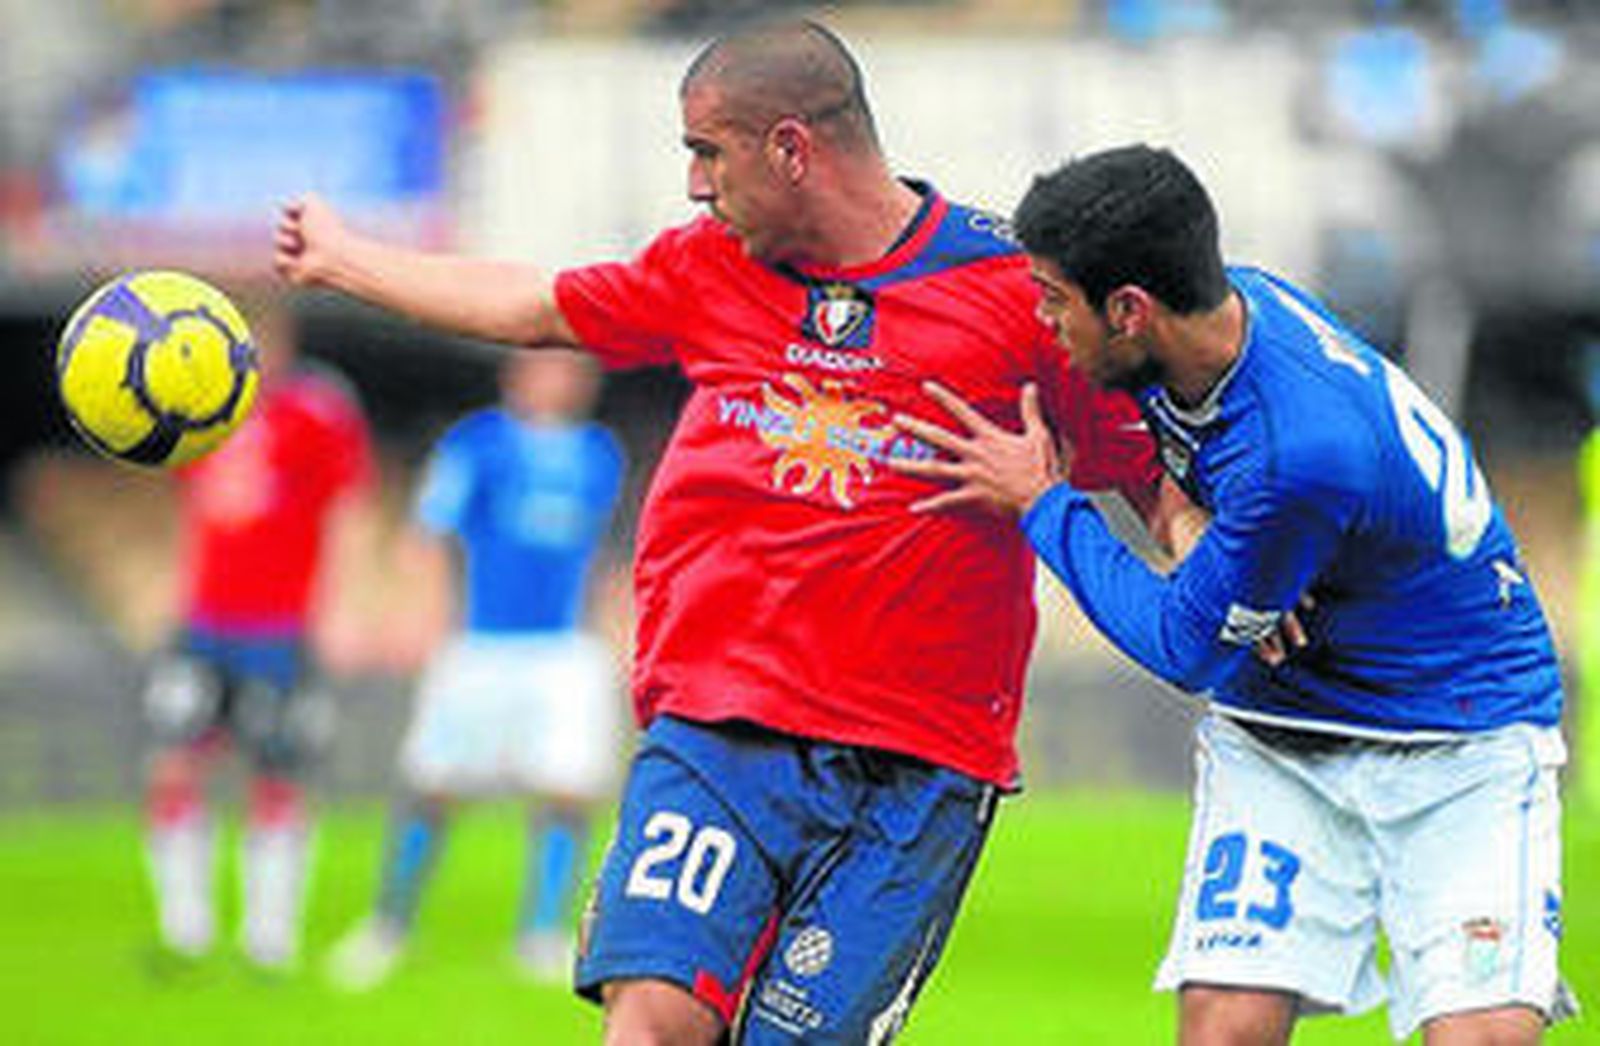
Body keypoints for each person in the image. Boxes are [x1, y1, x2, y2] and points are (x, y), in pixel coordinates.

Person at [274, 18, 1166, 1043]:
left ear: (790, 148)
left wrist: (1252, 595)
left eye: (708, 151)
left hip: (916, 767)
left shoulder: (1016, 294)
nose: (696, 184)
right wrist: (344, 259)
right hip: (717, 728)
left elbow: (1149, 471)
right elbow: (534, 306)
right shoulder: (708, 267)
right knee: (649, 1019)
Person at [892, 144, 1578, 1044]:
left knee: (1480, 1038)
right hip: (1283, 733)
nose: (1042, 319)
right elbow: (1185, 472)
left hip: (1459, 735)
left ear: (1130, 310)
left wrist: (1044, 507)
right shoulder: (1216, 324)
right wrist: (1196, 538)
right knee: (1224, 1029)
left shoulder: (1298, 452)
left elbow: (1184, 647)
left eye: (1056, 298)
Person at [327, 348, 626, 989]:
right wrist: (422, 615)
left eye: (574, 369)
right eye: (550, 366)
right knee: (431, 785)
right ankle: (387, 925)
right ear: (517, 375)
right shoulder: (478, 442)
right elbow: (428, 532)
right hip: (481, 644)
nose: (563, 380)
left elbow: (601, 553)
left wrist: (614, 633)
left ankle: (542, 934)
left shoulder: (600, 454)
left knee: (569, 789)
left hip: (563, 651)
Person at [143, 294, 377, 972]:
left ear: (279, 339)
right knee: (172, 766)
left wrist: (341, 609)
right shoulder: (198, 411)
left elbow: (350, 510)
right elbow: (193, 508)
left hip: (280, 628)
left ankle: (268, 936)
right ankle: (186, 928)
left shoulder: (318, 410)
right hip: (204, 623)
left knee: (277, 773)